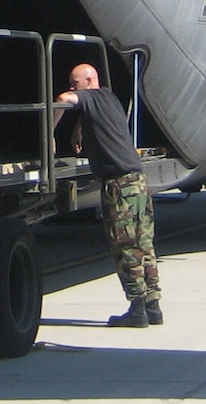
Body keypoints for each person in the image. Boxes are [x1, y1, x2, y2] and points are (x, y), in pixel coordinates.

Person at [55, 63, 162, 327]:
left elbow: (63, 100)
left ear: (89, 81)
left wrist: (50, 129)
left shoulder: (88, 96)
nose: (72, 87)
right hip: (138, 180)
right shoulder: (108, 98)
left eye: (74, 82)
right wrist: (79, 128)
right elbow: (87, 109)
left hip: (119, 185)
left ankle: (137, 309)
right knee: (144, 244)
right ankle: (153, 304)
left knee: (125, 246)